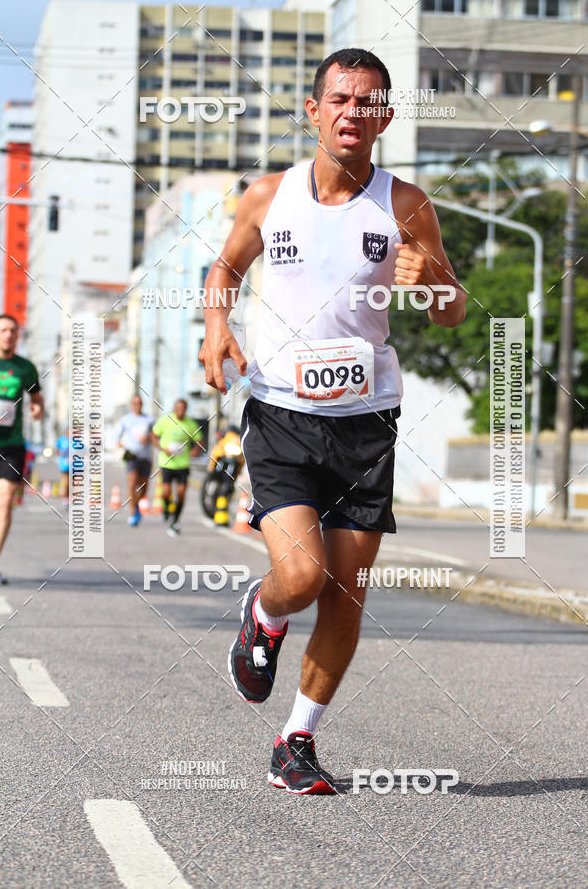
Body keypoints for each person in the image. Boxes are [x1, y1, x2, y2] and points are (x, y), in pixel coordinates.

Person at [199, 48, 466, 794]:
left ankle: (297, 740)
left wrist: (434, 279)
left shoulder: (405, 203)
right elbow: (226, 268)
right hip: (282, 411)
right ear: (314, 112)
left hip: (367, 420)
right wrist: (216, 327)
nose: (353, 112)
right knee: (303, 576)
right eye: (340, 99)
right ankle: (264, 611)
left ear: (386, 117)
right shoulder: (268, 195)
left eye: (368, 102)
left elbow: (450, 311)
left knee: (346, 591)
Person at [0, 314, 44, 583]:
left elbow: (36, 397)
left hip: (11, 447)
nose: (8, 334)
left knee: (4, 504)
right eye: (3, 330)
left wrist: (38, 408)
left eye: (13, 330)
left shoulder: (25, 368)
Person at [151, 399, 203, 537]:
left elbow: (199, 440)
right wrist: (162, 449)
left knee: (181, 493)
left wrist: (195, 451)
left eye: (183, 408)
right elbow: (154, 436)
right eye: (178, 407)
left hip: (183, 464)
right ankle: (166, 508)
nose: (180, 410)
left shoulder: (190, 424)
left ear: (186, 409)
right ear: (174, 408)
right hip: (167, 463)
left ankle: (175, 519)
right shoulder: (165, 421)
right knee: (166, 492)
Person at [115, 394, 155, 527]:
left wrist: (148, 438)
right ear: (131, 405)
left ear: (142, 404)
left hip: (146, 456)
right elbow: (117, 437)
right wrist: (121, 444)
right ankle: (133, 513)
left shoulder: (150, 420)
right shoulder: (125, 419)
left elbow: (155, 436)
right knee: (132, 484)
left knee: (143, 487)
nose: (138, 405)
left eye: (140, 403)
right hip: (131, 455)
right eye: (135, 403)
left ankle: (136, 504)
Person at [55, 429, 69, 507]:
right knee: (66, 481)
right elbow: (57, 450)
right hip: (64, 464)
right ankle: (65, 499)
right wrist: (62, 453)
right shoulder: (61, 440)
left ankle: (69, 498)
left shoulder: (76, 440)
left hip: (75, 464)